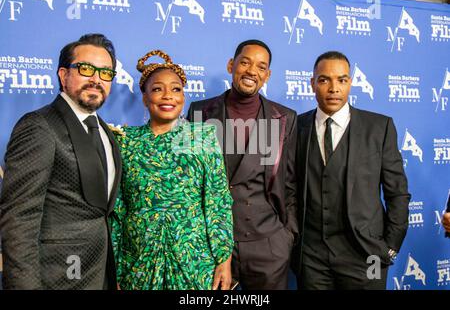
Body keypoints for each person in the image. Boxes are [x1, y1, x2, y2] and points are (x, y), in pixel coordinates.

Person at [0, 33, 122, 289]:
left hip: (98, 276)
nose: (96, 79)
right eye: (86, 68)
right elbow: (19, 220)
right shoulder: (39, 126)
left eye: (106, 73)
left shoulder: (105, 132)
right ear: (63, 75)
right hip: (55, 278)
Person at [110, 50, 234, 290]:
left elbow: (218, 202)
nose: (168, 96)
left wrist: (224, 261)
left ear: (184, 96)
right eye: (157, 89)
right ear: (145, 98)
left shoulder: (201, 137)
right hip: (138, 263)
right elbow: (118, 209)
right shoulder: (126, 141)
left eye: (176, 89)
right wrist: (115, 265)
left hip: (194, 262)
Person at [292, 51, 410, 290]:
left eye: (342, 80)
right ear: (312, 83)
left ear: (351, 83)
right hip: (311, 258)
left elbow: (397, 194)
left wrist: (389, 249)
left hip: (368, 255)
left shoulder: (379, 127)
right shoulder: (296, 126)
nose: (334, 88)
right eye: (324, 80)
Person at [187, 39, 298, 290]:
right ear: (231, 65)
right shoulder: (198, 112)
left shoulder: (284, 118)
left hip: (268, 245)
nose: (251, 71)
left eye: (261, 67)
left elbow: (290, 183)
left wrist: (286, 236)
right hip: (212, 244)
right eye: (245, 62)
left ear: (267, 75)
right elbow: (188, 182)